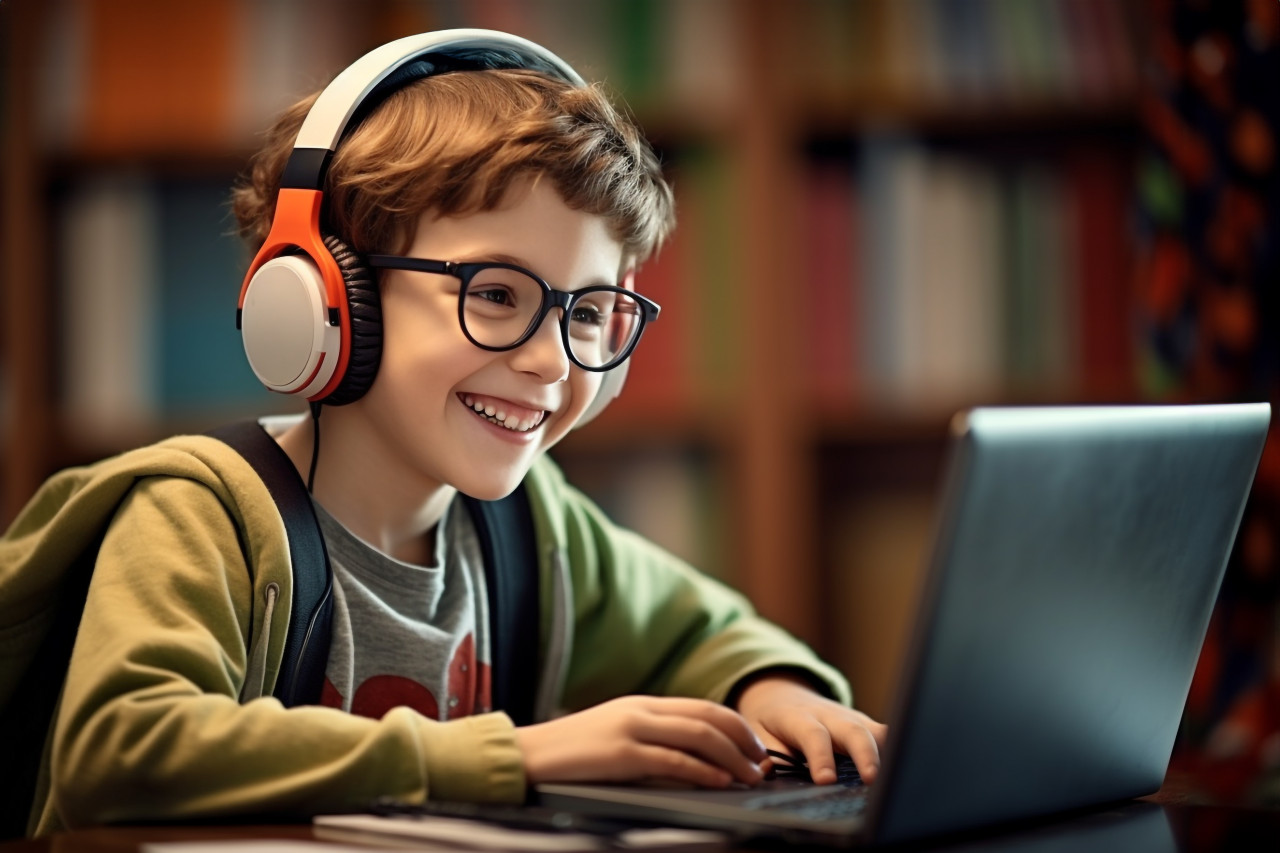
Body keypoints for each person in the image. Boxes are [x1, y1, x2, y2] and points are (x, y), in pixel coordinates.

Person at [17, 31, 885, 836]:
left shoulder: (530, 529)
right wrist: (518, 755)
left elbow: (703, 633)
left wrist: (777, 689)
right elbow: (120, 748)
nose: (553, 361)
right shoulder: (201, 519)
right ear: (323, 297)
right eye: (497, 294)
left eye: (588, 312)